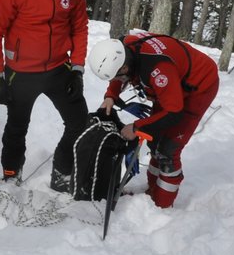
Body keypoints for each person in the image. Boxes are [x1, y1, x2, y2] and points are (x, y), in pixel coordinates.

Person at [0, 0, 92, 191]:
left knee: (79, 121)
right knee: (17, 127)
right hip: (21, 72)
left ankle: (62, 171)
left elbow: (80, 28)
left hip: (58, 68)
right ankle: (11, 174)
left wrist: (77, 69)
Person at [89, 29, 219, 208]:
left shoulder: (158, 70)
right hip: (171, 85)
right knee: (155, 139)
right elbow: (118, 73)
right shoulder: (122, 48)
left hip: (198, 85)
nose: (117, 80)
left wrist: (136, 127)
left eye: (118, 76)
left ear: (125, 68)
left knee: (168, 149)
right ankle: (152, 190)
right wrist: (111, 95)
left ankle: (161, 205)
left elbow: (173, 113)